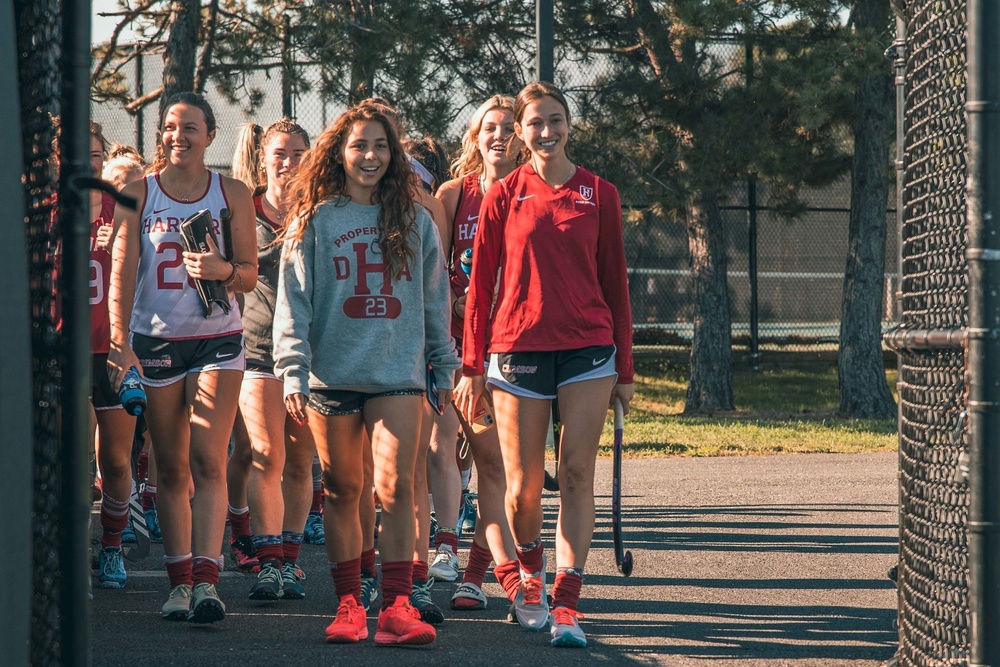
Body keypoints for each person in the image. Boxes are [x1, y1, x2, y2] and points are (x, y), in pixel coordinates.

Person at [454, 82, 634, 648]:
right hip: (518, 349)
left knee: (577, 474)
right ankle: (528, 577)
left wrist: (624, 370)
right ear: (520, 132)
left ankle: (567, 603)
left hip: (589, 351)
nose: (546, 132)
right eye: (535, 124)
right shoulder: (504, 193)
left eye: (555, 121)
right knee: (523, 490)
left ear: (569, 124)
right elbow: (480, 286)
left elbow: (616, 283)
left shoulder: (600, 193)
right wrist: (472, 364)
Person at [273, 103, 459, 645]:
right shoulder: (314, 219)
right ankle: (350, 603)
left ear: (393, 154)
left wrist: (443, 366)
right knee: (342, 489)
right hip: (332, 375)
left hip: (398, 372)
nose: (371, 155)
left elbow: (433, 301)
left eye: (381, 146)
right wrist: (292, 371)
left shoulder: (415, 220)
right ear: (339, 152)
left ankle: (399, 608)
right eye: (359, 145)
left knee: (399, 487)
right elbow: (294, 303)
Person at [107, 91, 257, 624]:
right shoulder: (136, 192)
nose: (178, 136)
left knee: (207, 460)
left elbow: (249, 274)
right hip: (156, 340)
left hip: (218, 337)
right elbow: (123, 271)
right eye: (170, 127)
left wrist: (223, 272)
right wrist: (120, 342)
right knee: (170, 467)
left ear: (210, 135)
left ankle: (208, 582)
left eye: (190, 127)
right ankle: (179, 583)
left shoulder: (232, 191)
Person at [434, 95, 524, 610]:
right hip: (453, 345)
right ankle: (443, 554)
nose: (499, 135)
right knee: (439, 448)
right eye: (489, 127)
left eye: (508, 127)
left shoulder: (530, 193)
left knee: (496, 465)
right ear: (474, 136)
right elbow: (435, 269)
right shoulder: (453, 194)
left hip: (512, 348)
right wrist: (458, 299)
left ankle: (478, 573)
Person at [230, 118, 315, 600]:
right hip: (258, 350)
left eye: (298, 153)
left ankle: (291, 561)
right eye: (280, 153)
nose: (288, 162)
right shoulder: (244, 210)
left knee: (301, 464)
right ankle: (268, 563)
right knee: (266, 456)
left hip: (311, 357)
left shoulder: (321, 210)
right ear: (263, 158)